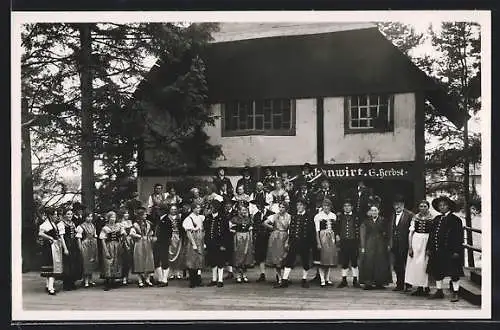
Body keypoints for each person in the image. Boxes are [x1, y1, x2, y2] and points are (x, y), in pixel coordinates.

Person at [426, 196, 464, 302]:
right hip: (437, 250)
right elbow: (432, 235)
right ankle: (439, 291)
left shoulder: (455, 220)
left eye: (444, 205)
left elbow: (459, 236)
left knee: (454, 273)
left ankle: (456, 293)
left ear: (449, 207)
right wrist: (429, 248)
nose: (442, 207)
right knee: (437, 271)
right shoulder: (437, 218)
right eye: (440, 205)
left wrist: (457, 251)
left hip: (450, 251)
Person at [282, 198, 315, 288]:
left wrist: (312, 244)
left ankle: (304, 279)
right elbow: (291, 230)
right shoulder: (294, 216)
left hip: (305, 242)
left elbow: (312, 231)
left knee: (305, 261)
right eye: (297, 205)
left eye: (300, 205)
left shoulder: (309, 217)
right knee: (289, 259)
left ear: (304, 206)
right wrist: (288, 241)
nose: (299, 207)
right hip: (294, 241)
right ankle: (284, 280)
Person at [359, 205, 392, 290]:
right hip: (369, 243)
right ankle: (368, 282)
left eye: (375, 210)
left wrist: (388, 243)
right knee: (368, 262)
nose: (374, 212)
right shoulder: (366, 222)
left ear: (378, 211)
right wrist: (363, 246)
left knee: (380, 262)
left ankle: (379, 283)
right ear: (370, 212)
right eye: (372, 210)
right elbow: (363, 234)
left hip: (381, 244)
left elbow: (388, 232)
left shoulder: (383, 220)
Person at [405, 200, 433, 296]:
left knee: (425, 264)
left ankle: (426, 286)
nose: (423, 208)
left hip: (426, 240)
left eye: (425, 206)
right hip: (416, 240)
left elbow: (433, 233)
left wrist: (430, 247)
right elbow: (411, 233)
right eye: (421, 206)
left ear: (428, 207)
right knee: (416, 264)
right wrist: (410, 247)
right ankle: (419, 287)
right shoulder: (415, 218)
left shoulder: (432, 218)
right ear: (418, 208)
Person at [38, 207, 67, 295]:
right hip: (49, 247)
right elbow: (40, 233)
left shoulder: (53, 223)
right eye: (54, 214)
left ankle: (48, 286)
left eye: (56, 214)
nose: (56, 216)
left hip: (53, 247)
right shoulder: (46, 224)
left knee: (50, 266)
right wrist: (50, 237)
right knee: (51, 266)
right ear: (50, 215)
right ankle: (51, 288)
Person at [389, 194, 415, 292]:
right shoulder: (392, 215)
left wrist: (411, 245)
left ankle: (408, 284)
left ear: (403, 205)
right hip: (395, 244)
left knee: (407, 265)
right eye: (396, 204)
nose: (398, 206)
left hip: (406, 244)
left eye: (400, 204)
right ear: (393, 205)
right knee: (397, 265)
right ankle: (399, 284)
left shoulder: (410, 215)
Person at [264, 201, 292, 288]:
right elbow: (265, 222)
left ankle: (285, 277)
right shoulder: (275, 216)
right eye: (280, 207)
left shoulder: (289, 217)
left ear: (286, 208)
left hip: (284, 236)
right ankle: (279, 278)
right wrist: (272, 228)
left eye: (283, 207)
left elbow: (290, 229)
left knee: (284, 257)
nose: (281, 209)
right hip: (275, 237)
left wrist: (288, 240)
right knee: (276, 258)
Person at [204, 200, 231, 287]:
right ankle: (214, 279)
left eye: (213, 207)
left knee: (220, 261)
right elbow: (206, 231)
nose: (211, 209)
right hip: (211, 243)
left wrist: (224, 245)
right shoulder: (208, 218)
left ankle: (220, 280)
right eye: (210, 207)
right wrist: (206, 242)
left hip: (220, 243)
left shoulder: (223, 218)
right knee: (212, 261)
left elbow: (226, 233)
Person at [336, 199, 361, 288]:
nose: (347, 208)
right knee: (344, 261)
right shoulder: (340, 217)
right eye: (345, 206)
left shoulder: (356, 217)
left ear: (352, 207)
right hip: (344, 241)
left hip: (353, 241)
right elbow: (337, 228)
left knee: (354, 261)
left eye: (348, 206)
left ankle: (355, 280)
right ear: (343, 208)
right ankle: (344, 280)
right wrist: (337, 235)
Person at [313, 198, 338, 287]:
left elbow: (335, 228)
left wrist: (336, 237)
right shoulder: (318, 216)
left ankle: (327, 279)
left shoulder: (333, 216)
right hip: (322, 237)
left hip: (331, 238)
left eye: (327, 206)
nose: (326, 207)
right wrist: (318, 242)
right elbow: (317, 230)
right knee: (322, 259)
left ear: (330, 207)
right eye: (324, 206)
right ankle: (322, 279)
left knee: (329, 259)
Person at [99, 210, 126, 291]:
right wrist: (106, 250)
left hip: (117, 245)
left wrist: (123, 233)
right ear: (108, 218)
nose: (113, 219)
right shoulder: (105, 228)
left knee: (116, 262)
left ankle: (114, 280)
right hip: (109, 245)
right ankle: (107, 282)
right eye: (111, 217)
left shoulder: (118, 226)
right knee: (108, 262)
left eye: (114, 217)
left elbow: (123, 236)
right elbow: (102, 240)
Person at [130, 206, 156, 288]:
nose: (146, 216)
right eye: (144, 214)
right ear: (140, 215)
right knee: (139, 260)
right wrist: (139, 236)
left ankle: (147, 279)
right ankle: (140, 280)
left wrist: (151, 237)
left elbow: (151, 232)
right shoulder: (135, 224)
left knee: (149, 260)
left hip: (147, 243)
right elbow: (131, 233)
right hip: (139, 243)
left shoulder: (148, 223)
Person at [58, 208, 83, 291]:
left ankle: (72, 282)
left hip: (73, 244)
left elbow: (75, 232)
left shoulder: (72, 223)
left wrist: (78, 231)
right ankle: (66, 284)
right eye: (68, 214)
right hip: (67, 244)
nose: (70, 216)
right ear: (65, 215)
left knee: (73, 263)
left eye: (71, 214)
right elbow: (61, 237)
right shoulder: (61, 224)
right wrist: (65, 248)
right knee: (67, 264)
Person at [229, 204, 254, 283]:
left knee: (246, 255)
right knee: (238, 255)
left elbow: (250, 230)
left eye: (245, 210)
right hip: (238, 237)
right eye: (242, 210)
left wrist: (251, 238)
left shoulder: (248, 219)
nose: (244, 212)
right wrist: (234, 231)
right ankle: (238, 275)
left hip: (246, 237)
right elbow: (229, 228)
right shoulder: (234, 219)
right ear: (238, 211)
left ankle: (244, 274)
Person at [183, 203, 206, 288]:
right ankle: (192, 280)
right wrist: (193, 244)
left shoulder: (200, 217)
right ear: (193, 209)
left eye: (199, 208)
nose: (199, 209)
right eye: (197, 208)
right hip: (193, 240)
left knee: (198, 260)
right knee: (192, 260)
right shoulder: (189, 219)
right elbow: (189, 233)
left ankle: (197, 280)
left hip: (200, 239)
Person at [251, 199, 274, 282]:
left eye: (259, 204)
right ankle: (262, 274)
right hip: (260, 237)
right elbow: (254, 226)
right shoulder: (256, 215)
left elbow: (274, 225)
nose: (258, 206)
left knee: (272, 255)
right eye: (257, 204)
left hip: (269, 237)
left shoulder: (271, 214)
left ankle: (278, 275)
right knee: (260, 255)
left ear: (263, 205)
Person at [76, 211, 99, 288]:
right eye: (88, 216)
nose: (90, 218)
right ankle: (85, 281)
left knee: (92, 261)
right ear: (85, 217)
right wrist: (80, 247)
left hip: (92, 244)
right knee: (86, 262)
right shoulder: (81, 226)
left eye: (91, 217)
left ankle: (90, 279)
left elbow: (95, 235)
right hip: (85, 244)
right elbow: (79, 238)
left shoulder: (93, 225)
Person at [154, 204, 174, 286]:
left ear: (163, 211)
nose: (158, 211)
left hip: (164, 243)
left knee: (164, 261)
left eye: (159, 210)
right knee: (157, 260)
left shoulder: (167, 220)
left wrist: (159, 239)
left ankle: (165, 280)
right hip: (158, 243)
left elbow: (168, 234)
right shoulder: (159, 219)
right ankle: (160, 278)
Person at [166, 204, 186, 281]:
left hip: (178, 237)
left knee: (179, 254)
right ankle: (171, 272)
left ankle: (178, 272)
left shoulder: (180, 218)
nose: (173, 210)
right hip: (171, 237)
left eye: (175, 209)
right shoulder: (167, 218)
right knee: (170, 254)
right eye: (172, 209)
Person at [118, 207, 134, 285]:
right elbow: (121, 233)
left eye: (127, 213)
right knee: (124, 259)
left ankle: (127, 277)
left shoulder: (130, 222)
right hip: (123, 242)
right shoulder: (119, 223)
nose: (127, 214)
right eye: (125, 213)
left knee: (129, 260)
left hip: (130, 241)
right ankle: (123, 277)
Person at [222, 198, 237, 280]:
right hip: (225, 234)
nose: (227, 205)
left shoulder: (235, 213)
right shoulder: (223, 213)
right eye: (226, 204)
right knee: (226, 252)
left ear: (231, 205)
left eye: (229, 204)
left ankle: (236, 271)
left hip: (233, 234)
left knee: (233, 251)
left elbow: (237, 222)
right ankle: (229, 271)